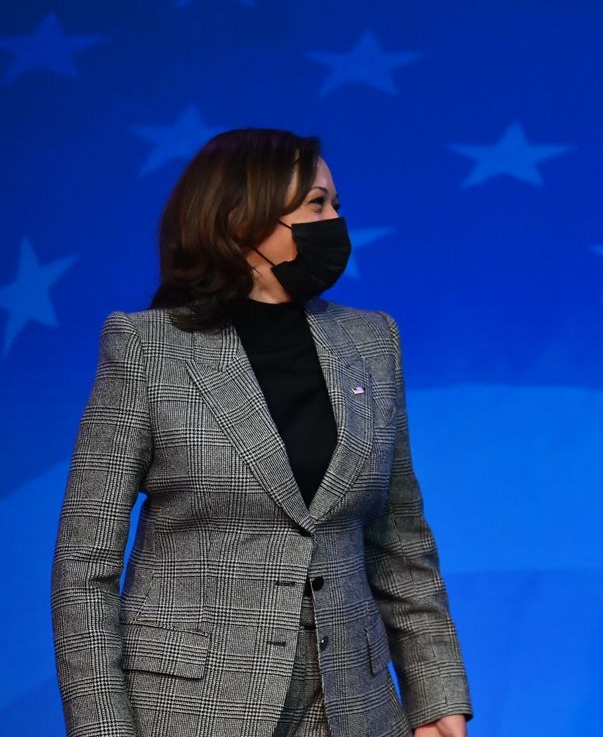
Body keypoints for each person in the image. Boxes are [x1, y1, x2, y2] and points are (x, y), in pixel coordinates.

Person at [52, 129, 472, 737]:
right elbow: (82, 569)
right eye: (317, 205)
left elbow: (400, 541)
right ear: (241, 220)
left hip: (357, 712)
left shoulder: (373, 342)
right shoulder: (147, 348)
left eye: (336, 203)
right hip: (192, 714)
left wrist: (437, 697)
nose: (336, 222)